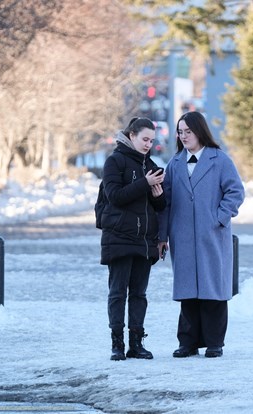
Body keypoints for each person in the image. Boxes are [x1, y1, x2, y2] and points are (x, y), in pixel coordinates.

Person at [158, 111, 245, 359]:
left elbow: (235, 191)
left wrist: (219, 217)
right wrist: (163, 236)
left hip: (213, 236)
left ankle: (215, 342)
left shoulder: (220, 160)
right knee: (188, 291)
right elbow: (165, 202)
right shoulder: (174, 164)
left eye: (188, 131)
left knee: (213, 289)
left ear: (200, 131)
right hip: (182, 237)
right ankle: (188, 342)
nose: (184, 136)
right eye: (180, 132)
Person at [100, 117, 166, 361]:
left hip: (144, 240)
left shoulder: (152, 165)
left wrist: (158, 195)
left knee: (139, 294)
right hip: (119, 237)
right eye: (144, 139)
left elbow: (159, 205)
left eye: (151, 140)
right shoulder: (114, 161)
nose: (148, 144)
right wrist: (144, 183)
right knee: (117, 292)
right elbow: (114, 196)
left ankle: (136, 343)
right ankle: (117, 344)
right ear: (131, 136)